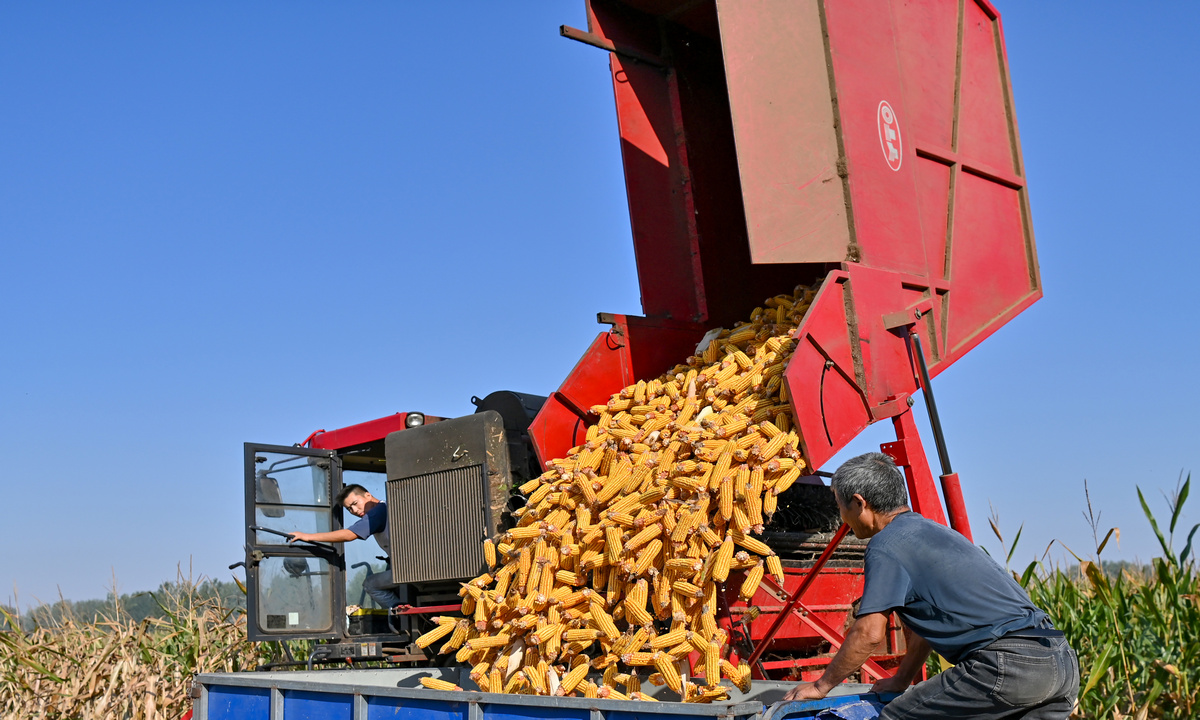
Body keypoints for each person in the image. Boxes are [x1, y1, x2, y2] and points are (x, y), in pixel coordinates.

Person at [782, 453, 1078, 719]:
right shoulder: (934, 531)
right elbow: (932, 625)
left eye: (839, 505)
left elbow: (869, 634)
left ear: (860, 503)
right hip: (1059, 661)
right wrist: (901, 679)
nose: (841, 518)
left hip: (1007, 667)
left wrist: (821, 687)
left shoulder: (886, 544)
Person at [288, 484, 404, 609]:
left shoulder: (378, 512)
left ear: (368, 495)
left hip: (405, 570)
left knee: (370, 585)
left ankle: (403, 615)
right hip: (404, 568)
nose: (354, 510)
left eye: (355, 503)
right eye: (349, 509)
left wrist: (308, 536)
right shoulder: (385, 508)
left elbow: (350, 534)